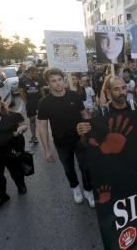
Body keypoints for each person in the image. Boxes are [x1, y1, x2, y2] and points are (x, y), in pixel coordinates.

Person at [38, 68, 94, 207]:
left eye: (59, 80)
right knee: (68, 169)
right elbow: (42, 127)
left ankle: (88, 190)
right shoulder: (44, 102)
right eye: (53, 81)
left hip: (80, 139)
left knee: (86, 167)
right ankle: (75, 190)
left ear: (63, 80)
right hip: (61, 142)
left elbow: (85, 115)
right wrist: (47, 150)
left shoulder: (74, 96)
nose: (57, 83)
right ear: (48, 84)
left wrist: (90, 135)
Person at [18, 66, 44, 144]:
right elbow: (21, 92)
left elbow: (42, 91)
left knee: (43, 120)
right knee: (32, 119)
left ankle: (44, 134)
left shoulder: (39, 79)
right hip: (30, 102)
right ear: (31, 72)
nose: (37, 74)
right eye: (36, 73)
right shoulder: (22, 80)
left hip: (40, 102)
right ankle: (34, 136)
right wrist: (26, 102)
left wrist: (44, 101)